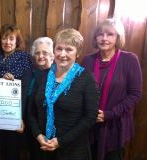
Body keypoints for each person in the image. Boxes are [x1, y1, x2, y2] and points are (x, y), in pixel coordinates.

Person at [28, 28, 99, 159]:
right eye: (59, 49)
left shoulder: (87, 78)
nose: (62, 54)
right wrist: (38, 135)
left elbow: (90, 117)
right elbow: (31, 111)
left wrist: (61, 141)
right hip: (43, 147)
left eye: (69, 49)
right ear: (53, 51)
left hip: (73, 150)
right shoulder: (42, 76)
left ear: (78, 53)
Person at [82, 18, 143, 160]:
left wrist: (110, 114)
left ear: (118, 37)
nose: (104, 38)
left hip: (115, 126)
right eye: (100, 34)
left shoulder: (129, 60)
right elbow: (80, 90)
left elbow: (135, 94)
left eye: (110, 34)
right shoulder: (87, 60)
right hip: (88, 125)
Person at [0, 24, 32, 160]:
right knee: (3, 148)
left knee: (13, 150)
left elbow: (25, 90)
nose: (7, 42)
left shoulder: (24, 59)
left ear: (17, 41)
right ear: (0, 40)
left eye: (11, 39)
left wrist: (20, 117)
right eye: (4, 38)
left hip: (15, 113)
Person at [24, 37, 54, 159]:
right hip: (31, 126)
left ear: (52, 55)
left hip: (51, 131)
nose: (40, 56)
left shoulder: (57, 74)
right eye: (37, 53)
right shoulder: (29, 72)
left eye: (45, 53)